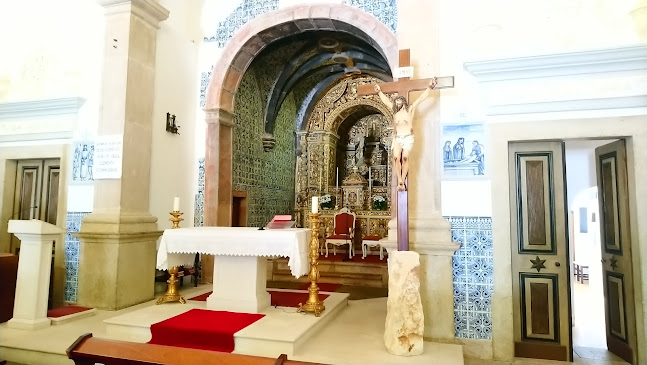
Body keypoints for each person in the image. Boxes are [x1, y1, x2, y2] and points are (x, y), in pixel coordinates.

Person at [374, 77, 437, 191]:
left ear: (403, 101)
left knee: (406, 158)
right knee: (396, 158)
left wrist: (429, 87)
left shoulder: (410, 110)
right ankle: (400, 180)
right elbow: (386, 101)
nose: (397, 103)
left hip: (408, 137)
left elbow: (421, 98)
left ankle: (402, 179)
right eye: (396, 102)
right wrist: (379, 91)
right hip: (398, 138)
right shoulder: (395, 113)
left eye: (399, 101)